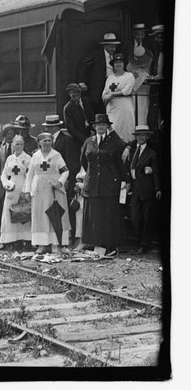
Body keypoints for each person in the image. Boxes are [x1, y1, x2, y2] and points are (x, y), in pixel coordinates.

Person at [79, 113, 127, 255]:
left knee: (108, 216)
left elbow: (120, 164)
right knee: (94, 215)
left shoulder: (115, 142)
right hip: (92, 184)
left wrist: (123, 181)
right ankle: (95, 244)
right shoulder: (89, 141)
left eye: (103, 125)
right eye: (98, 125)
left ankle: (109, 245)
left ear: (107, 127)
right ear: (94, 127)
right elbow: (83, 160)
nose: (100, 127)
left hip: (109, 186)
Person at [24, 132, 71, 254]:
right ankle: (41, 244)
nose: (47, 143)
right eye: (44, 141)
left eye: (49, 140)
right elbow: (30, 175)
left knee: (55, 215)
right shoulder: (35, 156)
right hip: (39, 190)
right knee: (40, 216)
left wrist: (60, 182)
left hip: (54, 190)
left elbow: (65, 171)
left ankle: (56, 243)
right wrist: (27, 191)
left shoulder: (56, 155)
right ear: (39, 142)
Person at [127, 125, 162, 254]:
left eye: (143, 135)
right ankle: (139, 241)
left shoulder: (151, 153)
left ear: (147, 137)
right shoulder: (132, 150)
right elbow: (128, 167)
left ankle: (144, 244)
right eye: (138, 135)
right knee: (135, 217)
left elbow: (156, 172)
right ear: (135, 137)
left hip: (147, 189)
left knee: (147, 218)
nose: (140, 137)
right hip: (135, 188)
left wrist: (158, 188)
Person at [0, 135, 32, 251]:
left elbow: (29, 175)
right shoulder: (9, 158)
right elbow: (4, 173)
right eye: (17, 144)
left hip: (22, 186)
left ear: (23, 145)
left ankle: (26, 240)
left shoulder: (27, 158)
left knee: (23, 212)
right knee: (9, 213)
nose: (19, 146)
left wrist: (25, 190)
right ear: (13, 145)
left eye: (21, 144)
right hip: (11, 188)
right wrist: (5, 183)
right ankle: (12, 240)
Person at [77, 32, 123, 114]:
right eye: (111, 47)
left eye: (115, 46)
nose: (113, 49)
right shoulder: (95, 55)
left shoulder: (116, 55)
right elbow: (83, 66)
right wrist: (82, 82)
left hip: (112, 84)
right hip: (98, 86)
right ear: (105, 46)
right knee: (99, 108)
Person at [0, 123, 18, 246]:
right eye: (7, 134)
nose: (9, 136)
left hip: (14, 184)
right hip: (2, 185)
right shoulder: (0, 151)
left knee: (14, 210)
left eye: (11, 134)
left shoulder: (18, 150)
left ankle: (14, 239)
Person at [102, 53, 136, 143]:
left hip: (124, 107)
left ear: (124, 64)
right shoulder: (110, 77)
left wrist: (112, 94)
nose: (118, 64)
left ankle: (127, 147)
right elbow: (104, 93)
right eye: (116, 62)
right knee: (113, 128)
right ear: (113, 65)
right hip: (112, 107)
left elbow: (126, 91)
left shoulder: (129, 76)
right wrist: (106, 96)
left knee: (124, 128)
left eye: (120, 62)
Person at [63, 83, 94, 155]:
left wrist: (93, 130)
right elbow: (71, 129)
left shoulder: (87, 102)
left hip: (90, 134)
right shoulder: (68, 108)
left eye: (78, 95)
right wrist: (85, 140)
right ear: (69, 94)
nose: (76, 98)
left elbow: (92, 117)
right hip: (78, 139)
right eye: (74, 96)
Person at [127, 45, 154, 127]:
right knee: (133, 109)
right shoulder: (129, 65)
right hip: (133, 91)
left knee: (143, 109)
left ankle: (142, 128)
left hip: (145, 90)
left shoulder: (150, 62)